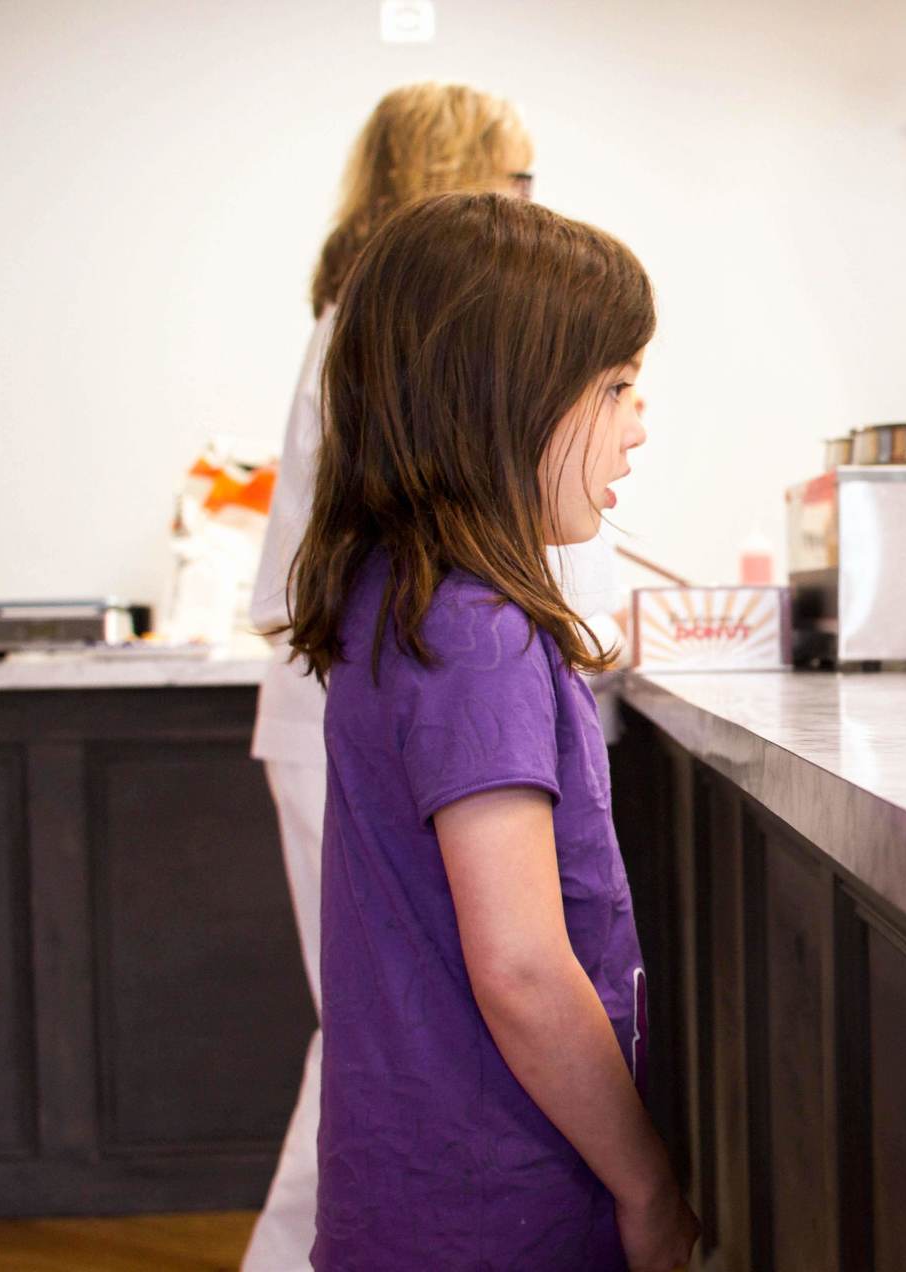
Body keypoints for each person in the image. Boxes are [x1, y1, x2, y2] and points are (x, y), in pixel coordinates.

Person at [276, 190, 698, 1269]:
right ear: (504, 400)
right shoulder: (478, 633)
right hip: (498, 1212)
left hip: (416, 1196)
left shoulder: (404, 597)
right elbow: (519, 964)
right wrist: (647, 1184)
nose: (640, 423)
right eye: (616, 386)